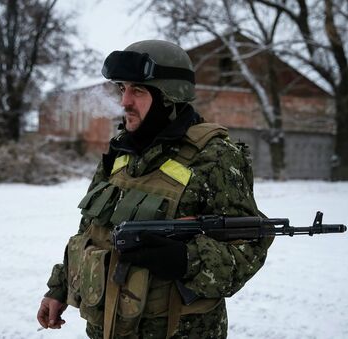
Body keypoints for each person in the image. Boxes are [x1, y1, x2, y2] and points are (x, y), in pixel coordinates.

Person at [37, 40, 273, 339]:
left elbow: (248, 247)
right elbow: (91, 229)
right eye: (122, 89)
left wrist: (186, 260)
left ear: (169, 97)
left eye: (138, 91)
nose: (124, 101)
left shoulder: (215, 156)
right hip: (107, 327)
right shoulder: (121, 151)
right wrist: (58, 288)